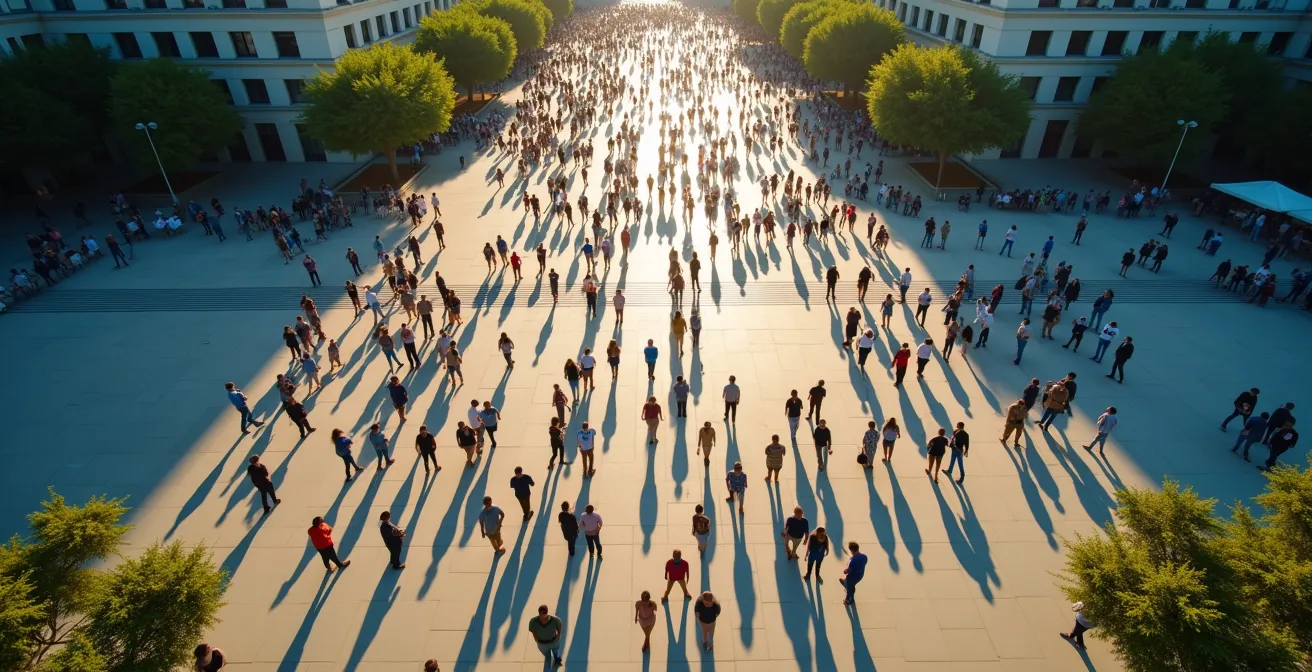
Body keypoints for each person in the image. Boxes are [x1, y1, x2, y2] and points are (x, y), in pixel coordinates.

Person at [839, 541, 868, 606]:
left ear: (851, 550)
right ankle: (846, 582)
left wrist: (845, 571)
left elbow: (849, 571)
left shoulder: (852, 561)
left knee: (850, 587)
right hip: (860, 575)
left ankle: (849, 599)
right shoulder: (864, 556)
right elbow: (865, 563)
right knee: (851, 583)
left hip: (852, 577)